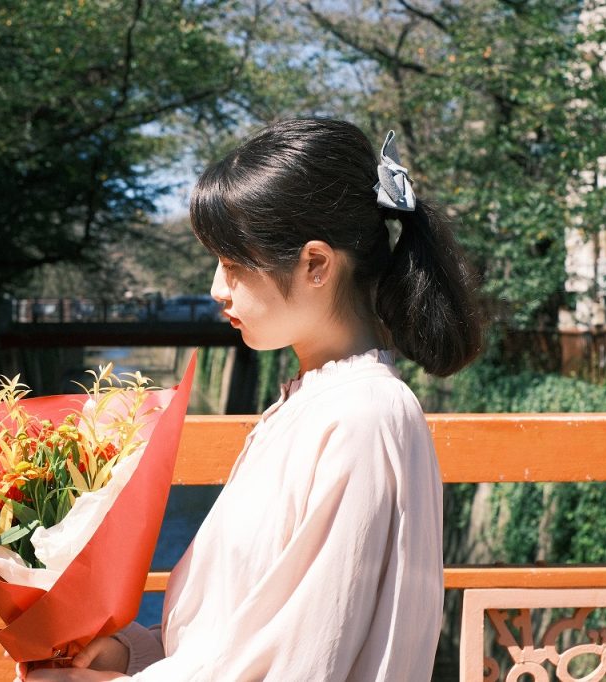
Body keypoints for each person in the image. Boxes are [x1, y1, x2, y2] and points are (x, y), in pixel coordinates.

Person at [25, 118, 483, 681]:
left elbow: (304, 660)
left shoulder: (363, 417)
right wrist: (133, 655)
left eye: (236, 266)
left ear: (316, 264)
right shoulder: (314, 402)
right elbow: (240, 630)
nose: (217, 289)